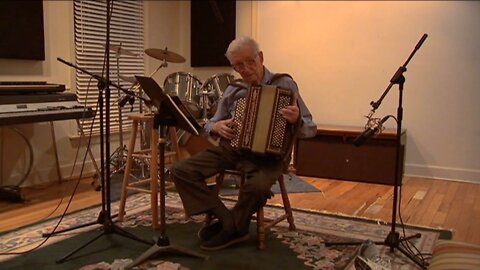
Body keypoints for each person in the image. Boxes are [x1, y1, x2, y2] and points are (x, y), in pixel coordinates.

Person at [171, 36, 316, 251]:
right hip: (232, 150)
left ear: (261, 57)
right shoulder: (233, 89)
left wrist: (296, 120)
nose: (245, 70)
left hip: (269, 158)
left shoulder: (284, 84)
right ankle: (227, 220)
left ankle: (232, 227)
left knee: (257, 187)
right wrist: (217, 127)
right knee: (180, 170)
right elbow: (209, 123)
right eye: (238, 65)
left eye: (250, 62)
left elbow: (311, 128)